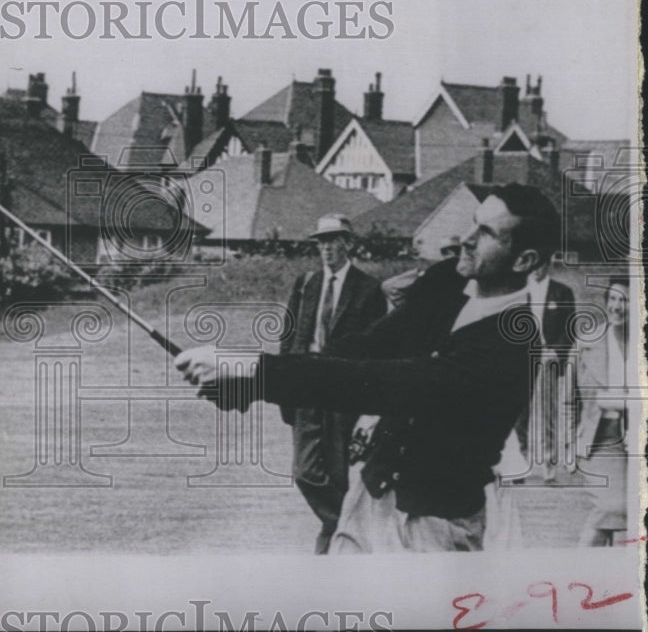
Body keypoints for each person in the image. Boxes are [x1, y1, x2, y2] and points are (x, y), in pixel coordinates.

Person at [177, 183, 558, 554]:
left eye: (487, 232)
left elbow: (386, 384)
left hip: (435, 528)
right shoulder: (448, 281)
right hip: (370, 497)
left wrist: (253, 370)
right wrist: (246, 384)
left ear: (525, 260)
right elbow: (366, 349)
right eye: (474, 222)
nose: (468, 238)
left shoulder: (512, 345)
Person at [278, 214, 386, 553]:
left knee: (337, 474)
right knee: (304, 471)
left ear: (348, 244)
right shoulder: (305, 284)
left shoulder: (368, 289)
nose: (326, 248)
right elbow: (288, 338)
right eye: (321, 242)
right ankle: (346, 528)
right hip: (306, 385)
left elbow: (377, 350)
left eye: (333, 240)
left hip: (343, 390)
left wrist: (370, 404)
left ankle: (332, 548)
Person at [574, 275, 631, 546]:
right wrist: (567, 442)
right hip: (601, 441)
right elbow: (566, 398)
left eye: (627, 300)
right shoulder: (588, 342)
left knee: (625, 514)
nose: (618, 306)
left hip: (636, 440)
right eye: (614, 298)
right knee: (615, 507)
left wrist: (621, 402)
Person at [514, 262, 576, 481]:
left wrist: (556, 352)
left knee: (547, 414)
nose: (535, 270)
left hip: (548, 358)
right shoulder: (517, 290)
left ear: (548, 265)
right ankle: (521, 464)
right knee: (519, 414)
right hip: (521, 359)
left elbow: (570, 329)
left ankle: (549, 466)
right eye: (532, 266)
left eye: (540, 265)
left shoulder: (561, 292)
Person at [381, 235, 459, 311]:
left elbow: (389, 287)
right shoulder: (461, 273)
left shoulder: (438, 270)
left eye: (443, 252)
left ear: (449, 253)